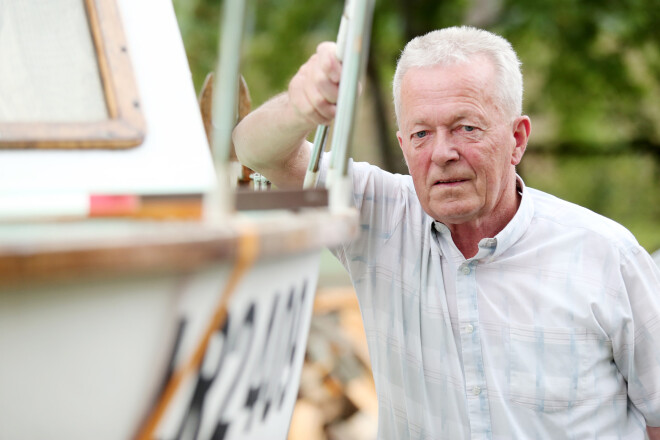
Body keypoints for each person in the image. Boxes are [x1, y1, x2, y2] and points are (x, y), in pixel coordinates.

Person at [233, 26, 660, 439]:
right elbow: (256, 152)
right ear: (403, 146)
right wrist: (300, 105)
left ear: (517, 139)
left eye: (466, 128)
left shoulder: (607, 256)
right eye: (422, 134)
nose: (442, 153)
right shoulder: (377, 217)